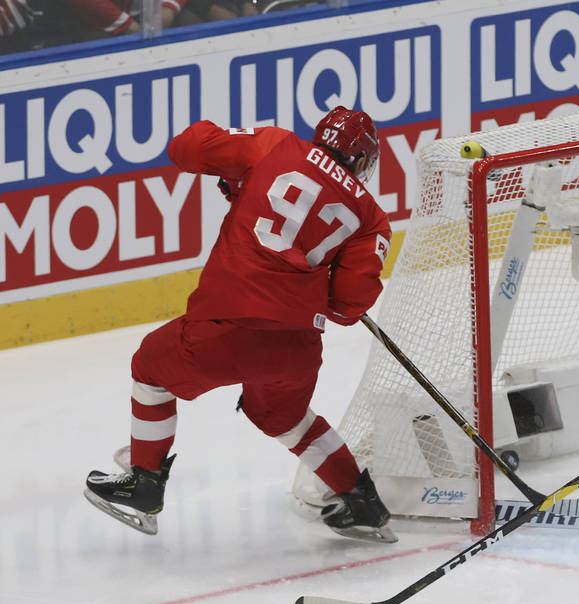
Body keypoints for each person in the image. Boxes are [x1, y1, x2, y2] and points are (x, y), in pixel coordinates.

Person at [84, 107, 397, 544]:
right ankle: (362, 502)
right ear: (363, 159)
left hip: (227, 325)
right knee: (287, 418)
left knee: (151, 369)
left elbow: (185, 148)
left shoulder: (277, 146)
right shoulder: (370, 217)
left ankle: (145, 481)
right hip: (296, 347)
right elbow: (347, 307)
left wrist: (241, 174)